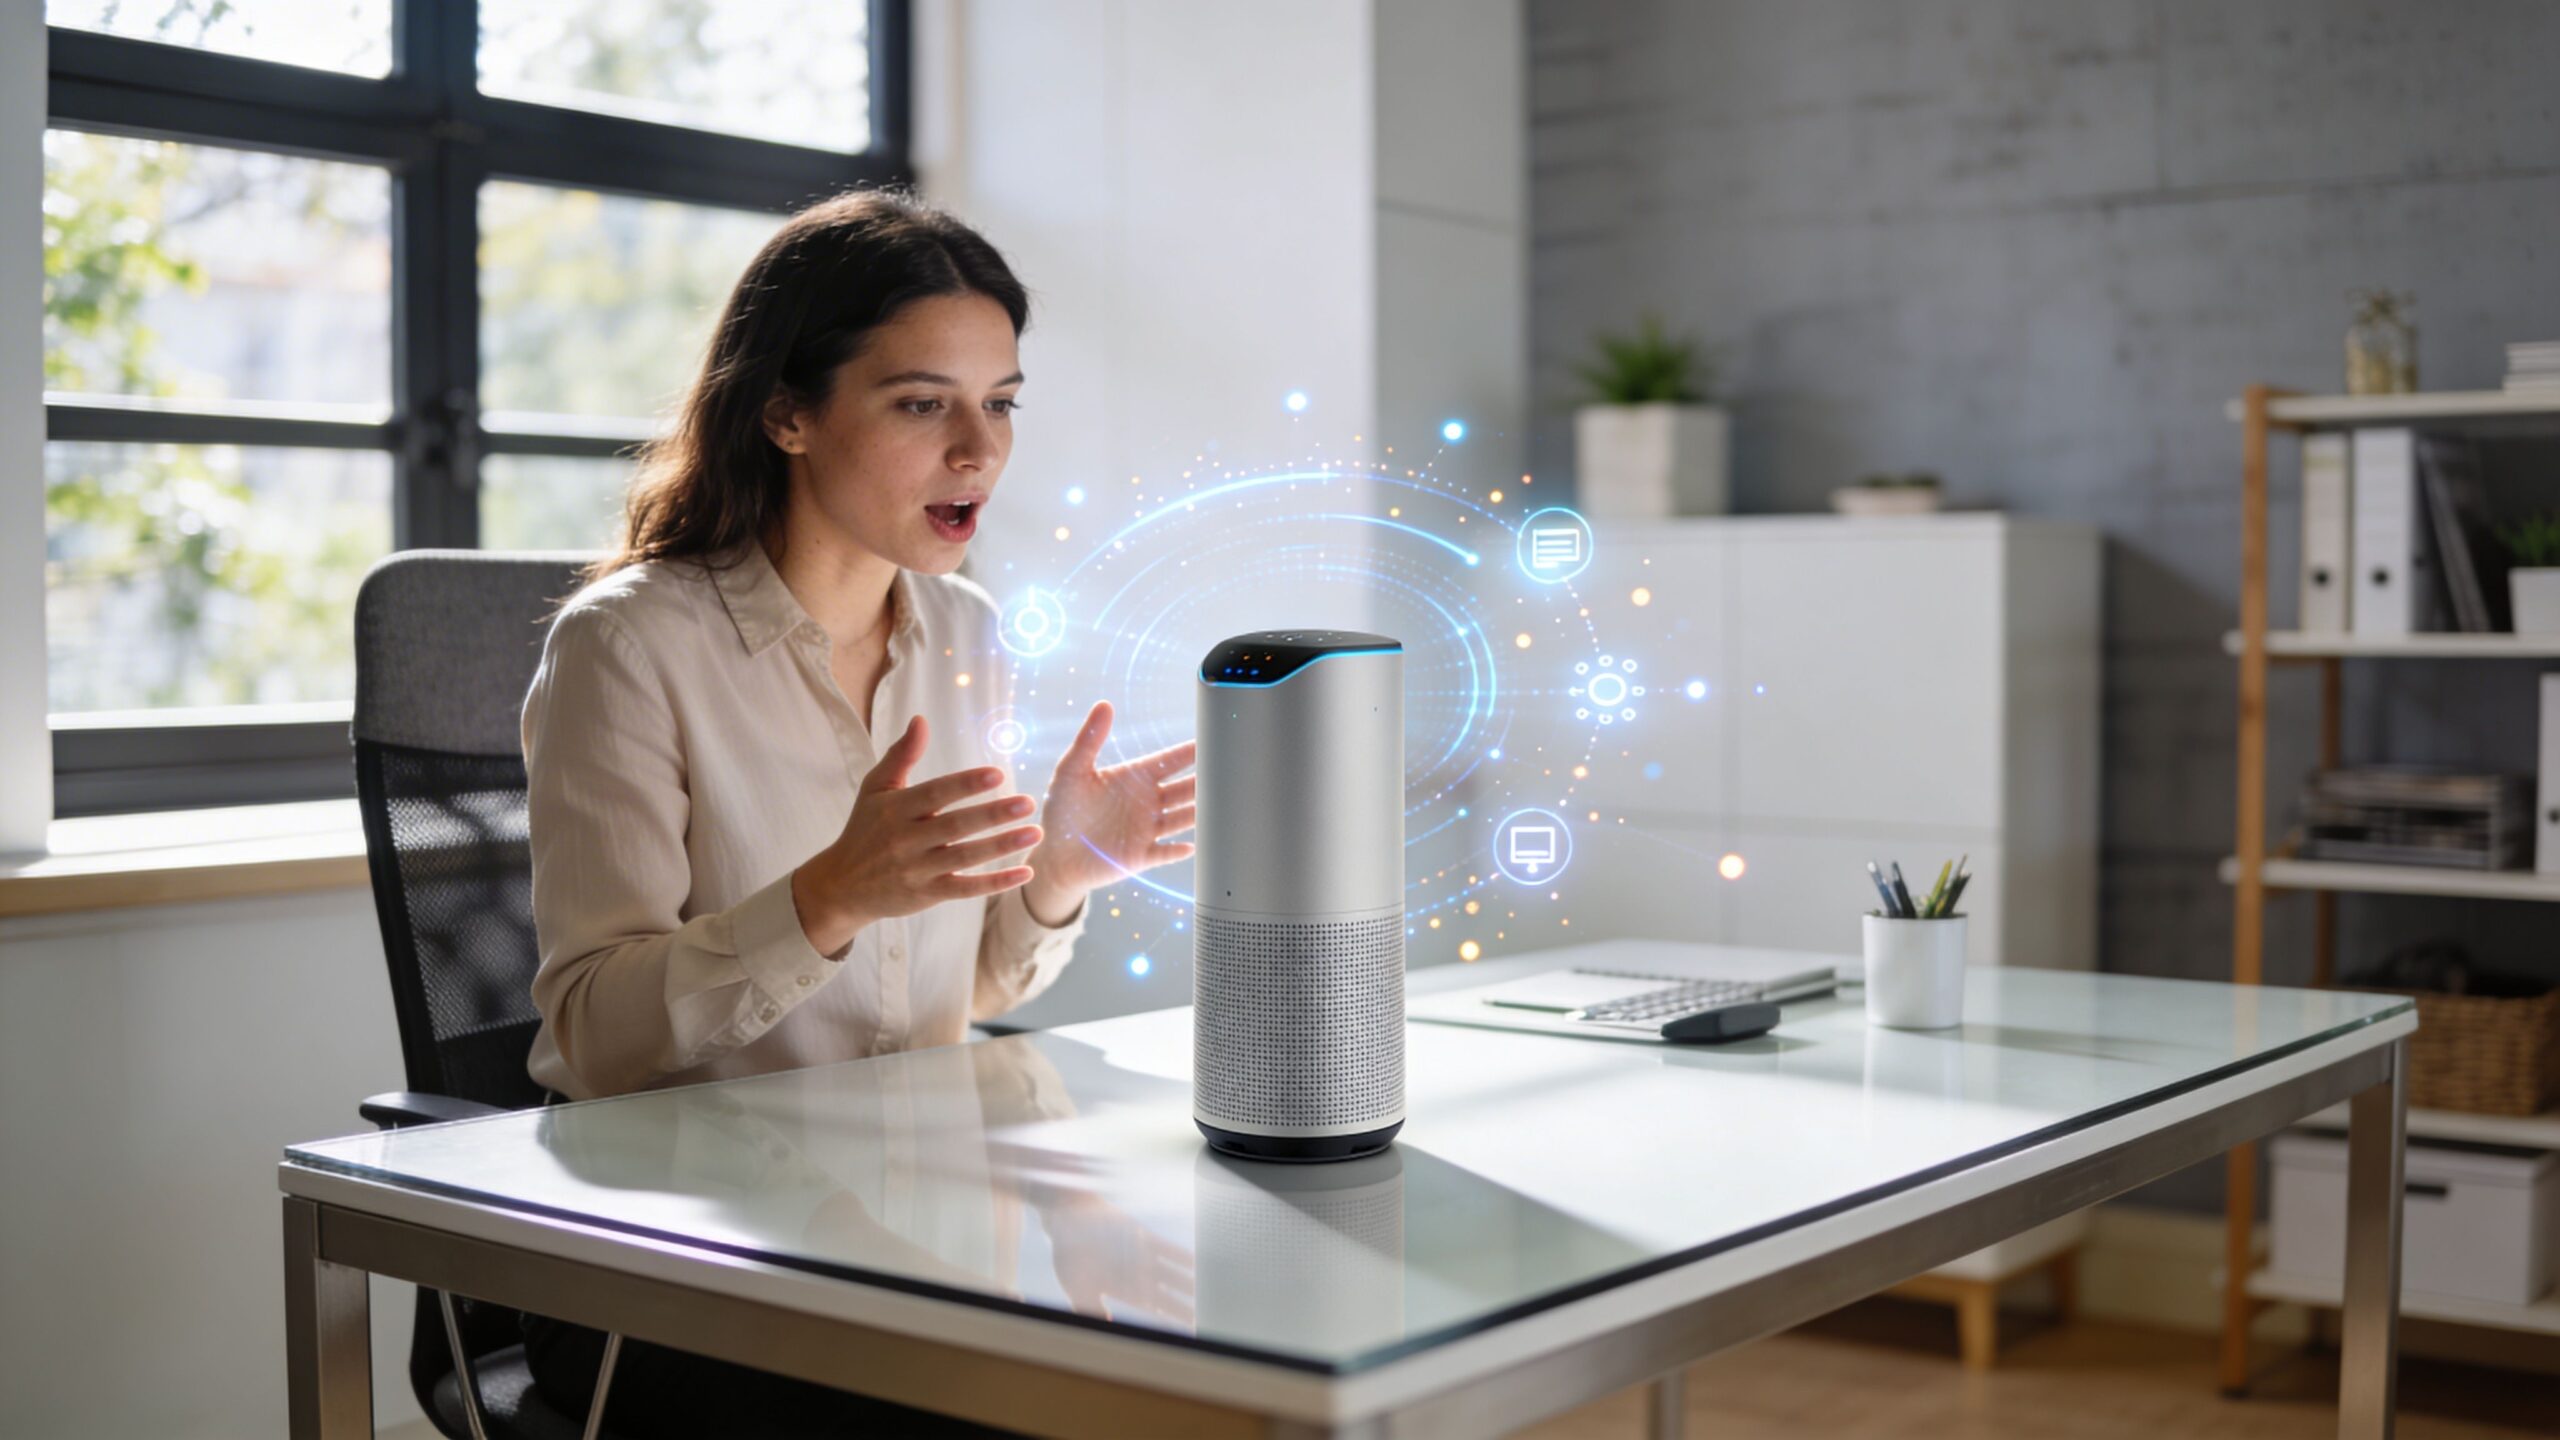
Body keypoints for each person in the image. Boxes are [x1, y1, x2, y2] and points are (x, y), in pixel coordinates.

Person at [512, 188, 1195, 1436]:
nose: (978, 451)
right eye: (922, 402)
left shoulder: (966, 636)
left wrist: (1060, 872)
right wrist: (827, 899)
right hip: (683, 1259)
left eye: (1001, 404)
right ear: (784, 411)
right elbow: (594, 1039)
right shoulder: (628, 647)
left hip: (919, 1237)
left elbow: (958, 996)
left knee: (1185, 1361)